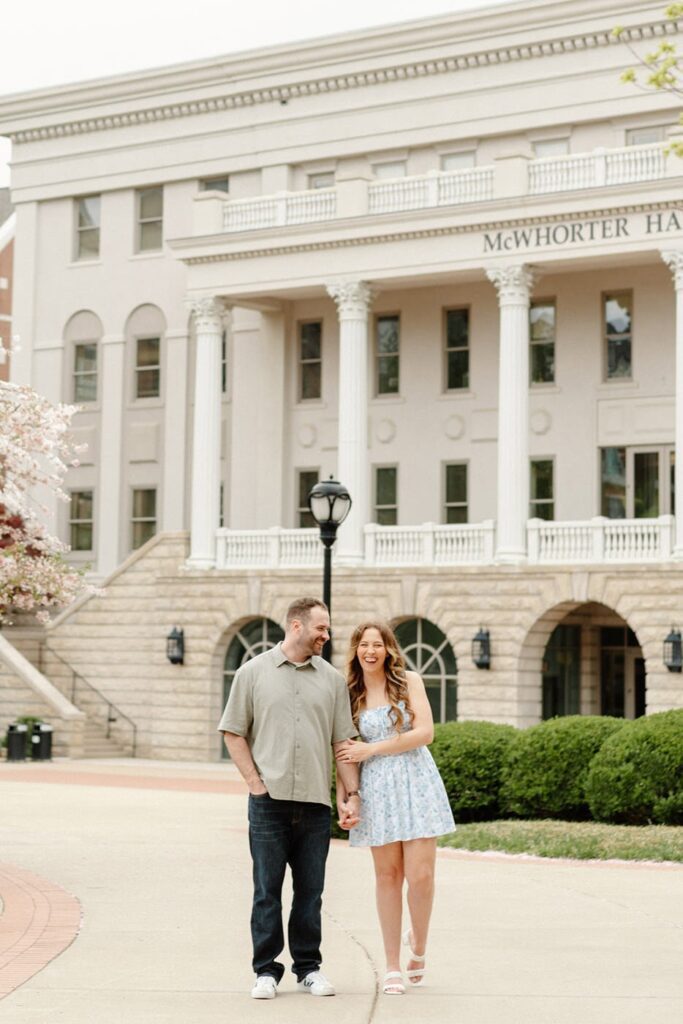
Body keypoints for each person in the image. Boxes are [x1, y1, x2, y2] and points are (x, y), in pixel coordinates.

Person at [218, 597, 361, 1001]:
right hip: (269, 801)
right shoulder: (251, 673)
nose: (327, 635)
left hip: (316, 803)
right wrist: (254, 783)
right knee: (267, 890)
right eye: (321, 628)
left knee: (310, 892)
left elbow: (342, 741)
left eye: (328, 628)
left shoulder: (332, 679)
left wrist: (352, 796)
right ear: (296, 626)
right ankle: (265, 970)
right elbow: (233, 731)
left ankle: (308, 968)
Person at [335, 621, 455, 996]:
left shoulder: (409, 681)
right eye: (363, 645)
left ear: (388, 649)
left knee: (421, 877)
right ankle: (391, 966)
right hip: (377, 791)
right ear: (355, 650)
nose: (370, 651)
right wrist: (347, 797)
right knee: (388, 876)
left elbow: (425, 733)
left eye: (377, 644)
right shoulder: (348, 692)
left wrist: (372, 748)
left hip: (417, 781)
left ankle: (418, 945)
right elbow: (344, 750)